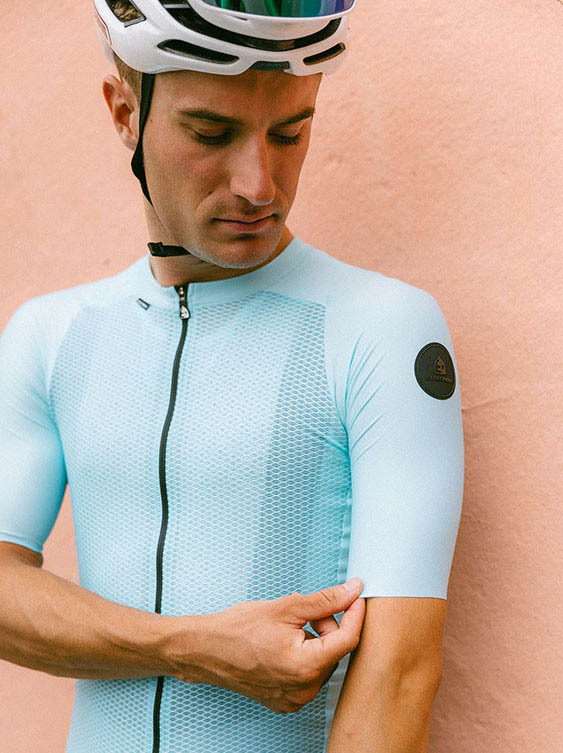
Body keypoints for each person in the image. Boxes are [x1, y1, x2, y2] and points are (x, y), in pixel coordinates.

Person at [0, 1, 464, 751]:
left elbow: (400, 674)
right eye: (211, 133)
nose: (259, 185)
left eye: (290, 133)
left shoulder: (381, 327)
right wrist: (191, 646)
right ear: (124, 113)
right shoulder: (52, 334)